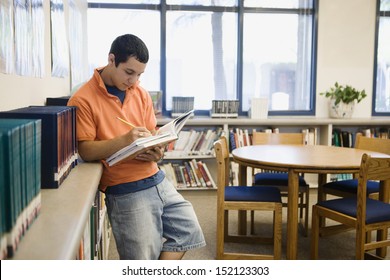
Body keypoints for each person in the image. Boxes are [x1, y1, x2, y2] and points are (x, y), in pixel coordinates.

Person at [68, 34, 205, 260]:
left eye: (139, 74)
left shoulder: (140, 93)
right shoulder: (82, 99)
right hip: (125, 187)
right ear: (111, 60)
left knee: (188, 231)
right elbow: (85, 150)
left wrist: (157, 151)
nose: (134, 80)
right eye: (129, 72)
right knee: (142, 258)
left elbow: (150, 135)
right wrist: (125, 140)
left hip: (156, 178)